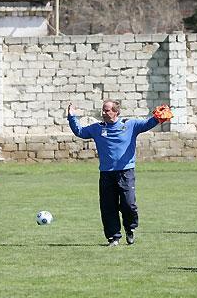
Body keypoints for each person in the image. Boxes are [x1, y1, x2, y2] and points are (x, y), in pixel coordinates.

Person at [67, 99, 164, 246]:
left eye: (107, 110)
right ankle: (114, 237)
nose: (103, 113)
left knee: (129, 204)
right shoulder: (97, 128)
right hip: (106, 174)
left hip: (126, 172)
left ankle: (130, 228)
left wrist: (157, 117)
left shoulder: (130, 124)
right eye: (103, 110)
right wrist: (72, 116)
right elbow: (79, 131)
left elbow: (147, 124)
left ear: (116, 112)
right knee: (108, 206)